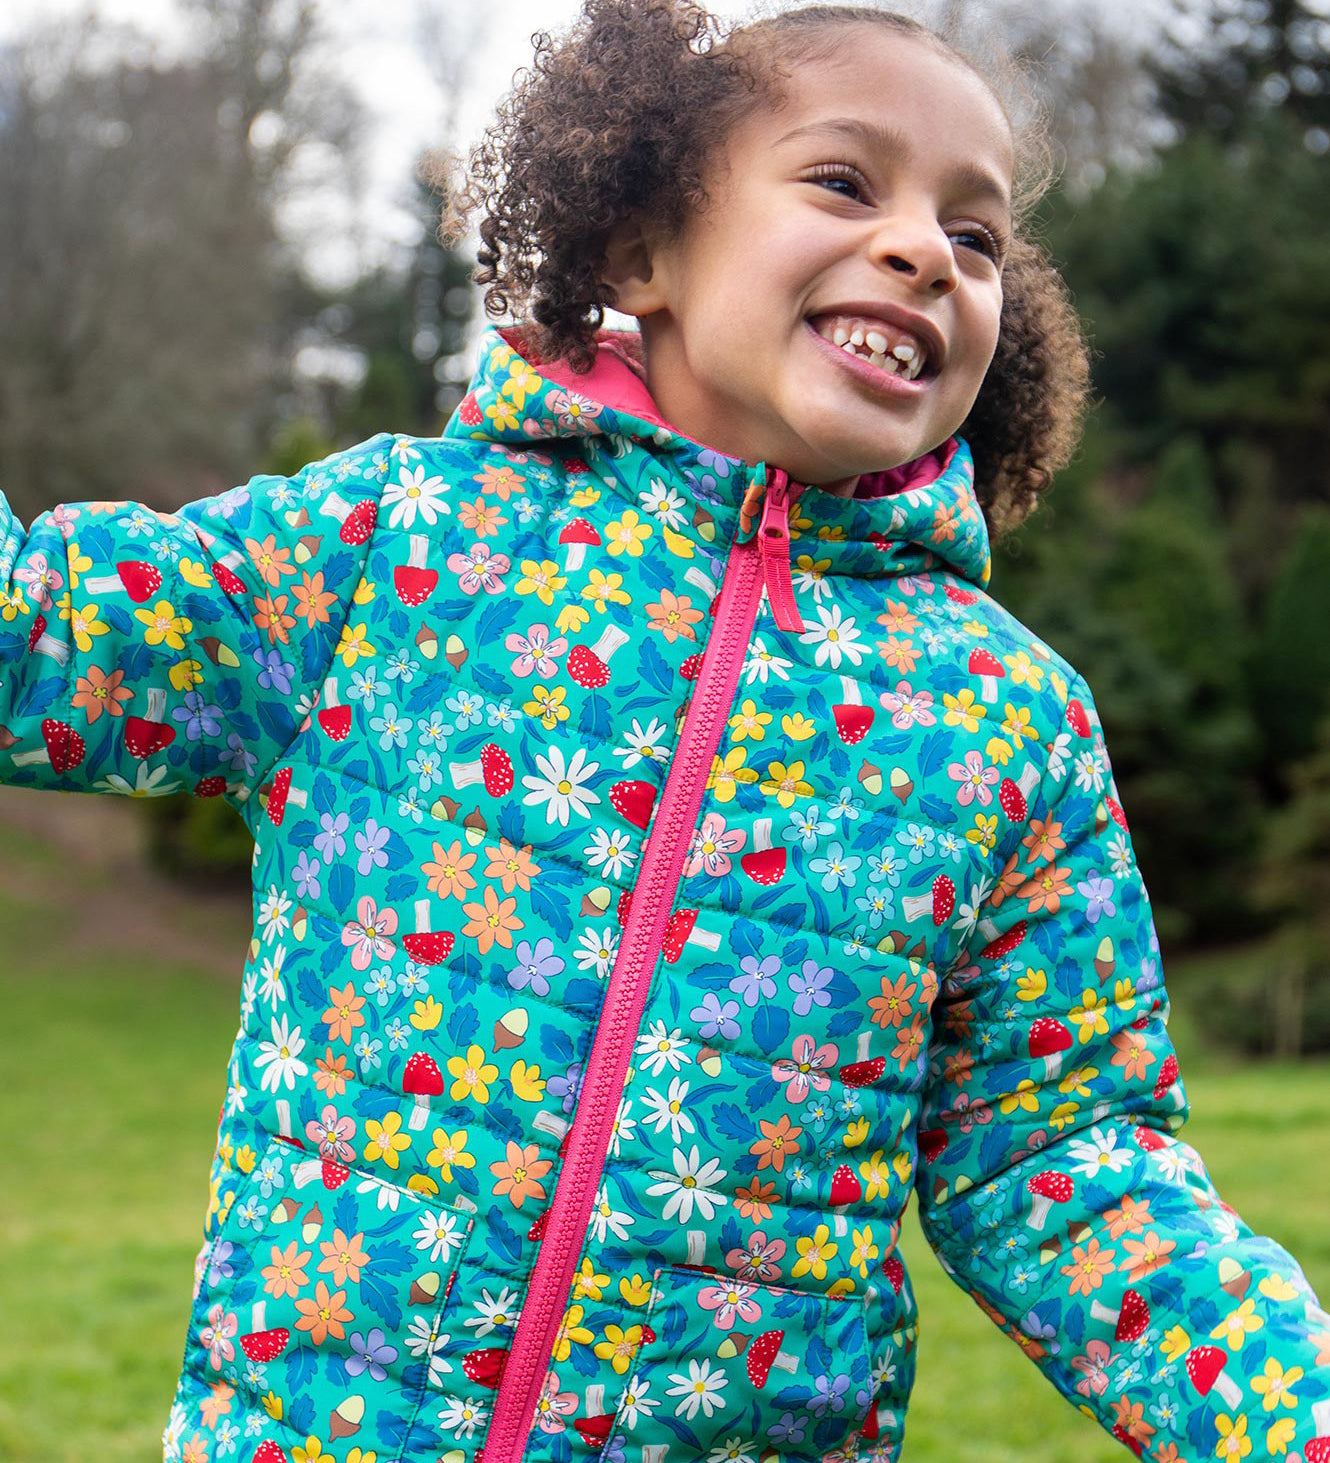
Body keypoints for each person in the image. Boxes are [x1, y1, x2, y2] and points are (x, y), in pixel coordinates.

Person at [2, 0, 1326, 1459]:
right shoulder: (400, 543)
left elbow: (1060, 1159)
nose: (924, 251)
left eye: (977, 236)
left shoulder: (1008, 724)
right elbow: (41, 637)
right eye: (843, 181)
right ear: (640, 251)